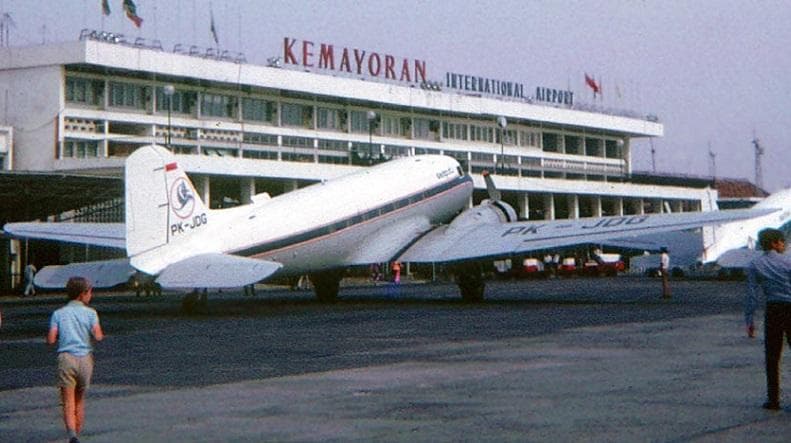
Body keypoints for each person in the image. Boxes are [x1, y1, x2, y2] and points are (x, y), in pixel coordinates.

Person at [47, 277, 104, 443]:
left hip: (66, 358)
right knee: (79, 400)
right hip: (85, 359)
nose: (91, 295)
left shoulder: (58, 313)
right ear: (82, 294)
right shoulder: (91, 313)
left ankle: (72, 435)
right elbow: (98, 336)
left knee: (67, 401)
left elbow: (51, 339)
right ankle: (77, 434)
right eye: (90, 292)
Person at [745, 228, 791, 411]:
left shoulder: (755, 264)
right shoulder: (788, 261)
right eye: (781, 242)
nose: (784, 244)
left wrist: (749, 320)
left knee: (772, 356)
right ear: (774, 243)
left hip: (773, 310)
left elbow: (751, 296)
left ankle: (773, 399)